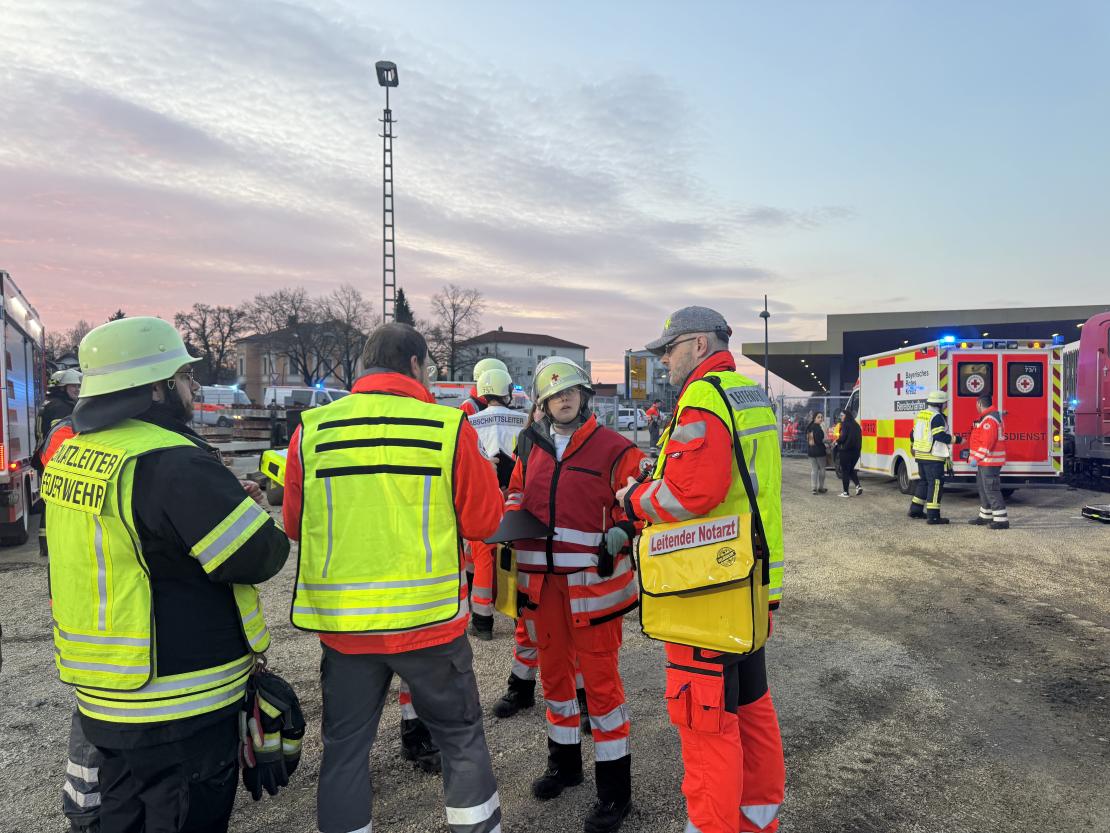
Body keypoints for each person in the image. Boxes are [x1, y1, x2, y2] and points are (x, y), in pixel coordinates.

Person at [42, 317, 290, 833]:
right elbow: (259, 555)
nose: (190, 389)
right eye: (183, 377)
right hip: (178, 700)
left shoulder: (75, 456)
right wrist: (245, 511)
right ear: (155, 387)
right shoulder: (169, 460)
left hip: (104, 690)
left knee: (124, 816)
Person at [283, 322, 504, 833]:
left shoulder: (312, 430)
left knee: (344, 750)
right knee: (461, 740)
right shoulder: (446, 428)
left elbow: (294, 524)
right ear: (416, 365)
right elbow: (484, 523)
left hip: (346, 630)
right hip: (430, 625)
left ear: (363, 367)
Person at [617, 306, 786, 833]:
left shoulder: (703, 398)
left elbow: (692, 493)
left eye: (667, 349)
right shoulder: (749, 394)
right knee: (751, 707)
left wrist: (634, 498)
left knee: (706, 718)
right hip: (751, 583)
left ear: (695, 344)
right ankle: (757, 821)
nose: (663, 360)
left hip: (705, 589)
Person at [506, 356, 644, 833]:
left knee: (602, 690)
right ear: (543, 404)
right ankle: (564, 767)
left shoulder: (615, 448)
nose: (565, 399)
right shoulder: (530, 445)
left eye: (572, 392)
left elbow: (640, 501)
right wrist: (507, 521)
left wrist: (625, 530)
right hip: (542, 589)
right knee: (556, 683)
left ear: (585, 397)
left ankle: (614, 794)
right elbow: (516, 493)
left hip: (592, 590)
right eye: (555, 395)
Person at [466, 367, 527, 639]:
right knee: (516, 556)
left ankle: (483, 622)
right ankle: (519, 619)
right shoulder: (524, 420)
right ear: (507, 391)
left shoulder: (469, 421)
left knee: (482, 558)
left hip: (484, 495)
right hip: (515, 495)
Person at [35, 369, 82, 558]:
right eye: (73, 386)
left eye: (79, 386)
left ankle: (46, 544)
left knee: (50, 503)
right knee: (57, 505)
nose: (77, 389)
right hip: (56, 461)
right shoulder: (61, 408)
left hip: (46, 459)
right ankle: (50, 544)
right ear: (62, 388)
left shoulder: (48, 405)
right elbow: (63, 438)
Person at [909, 390, 960, 524]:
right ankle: (933, 516)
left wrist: (914, 446)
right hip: (933, 457)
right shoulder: (936, 417)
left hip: (920, 454)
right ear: (940, 404)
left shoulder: (921, 415)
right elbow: (940, 436)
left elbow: (912, 435)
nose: (945, 405)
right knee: (935, 484)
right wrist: (957, 439)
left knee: (924, 482)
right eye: (944, 403)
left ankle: (915, 510)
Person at [967, 394, 1009, 529]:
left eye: (976, 405)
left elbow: (987, 444)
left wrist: (976, 458)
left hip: (989, 461)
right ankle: (985, 516)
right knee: (983, 488)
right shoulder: (988, 418)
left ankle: (1001, 520)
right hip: (985, 461)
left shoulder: (989, 420)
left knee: (991, 489)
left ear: (979, 404)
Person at [835, 409, 863, 497]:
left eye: (842, 416)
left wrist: (837, 441)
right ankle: (858, 486)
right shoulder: (857, 425)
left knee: (845, 471)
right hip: (856, 452)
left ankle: (845, 492)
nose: (841, 417)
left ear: (846, 416)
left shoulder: (845, 425)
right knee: (850, 469)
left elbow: (843, 438)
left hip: (846, 451)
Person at [805, 412, 828, 494]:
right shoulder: (819, 428)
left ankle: (813, 488)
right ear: (815, 418)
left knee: (814, 470)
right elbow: (821, 440)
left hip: (811, 451)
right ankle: (821, 487)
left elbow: (810, 441)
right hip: (820, 452)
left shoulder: (809, 427)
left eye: (822, 417)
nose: (821, 419)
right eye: (819, 417)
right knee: (822, 469)